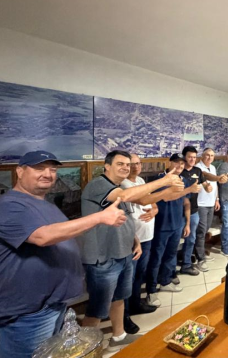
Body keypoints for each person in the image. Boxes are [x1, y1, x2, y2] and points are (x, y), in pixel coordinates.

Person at [0, 151, 127, 358]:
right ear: (20, 171)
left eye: (52, 170)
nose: (48, 174)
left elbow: (62, 234)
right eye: (39, 168)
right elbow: (42, 236)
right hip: (27, 314)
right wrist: (100, 217)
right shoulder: (9, 204)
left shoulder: (44, 204)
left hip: (52, 305)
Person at [78, 150, 184, 351]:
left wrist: (135, 240)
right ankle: (83, 351)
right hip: (103, 258)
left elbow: (141, 202)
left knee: (119, 298)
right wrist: (165, 181)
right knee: (97, 309)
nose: (126, 168)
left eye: (128, 164)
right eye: (120, 164)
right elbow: (125, 196)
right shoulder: (98, 185)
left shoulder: (118, 188)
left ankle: (118, 337)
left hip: (123, 253)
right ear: (107, 166)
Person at [146, 154, 201, 308]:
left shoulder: (183, 180)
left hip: (177, 224)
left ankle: (165, 281)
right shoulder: (161, 179)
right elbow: (167, 197)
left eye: (182, 164)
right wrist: (189, 189)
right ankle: (151, 290)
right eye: (177, 163)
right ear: (169, 163)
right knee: (156, 258)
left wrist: (187, 223)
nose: (179, 166)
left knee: (171, 255)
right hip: (161, 226)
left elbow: (185, 202)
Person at [121, 154, 159, 335]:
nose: (135, 167)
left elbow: (153, 203)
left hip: (147, 236)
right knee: (127, 279)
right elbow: (143, 200)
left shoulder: (141, 181)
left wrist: (154, 211)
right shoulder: (123, 185)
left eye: (138, 163)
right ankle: (124, 316)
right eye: (131, 164)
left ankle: (136, 304)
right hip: (133, 239)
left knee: (139, 275)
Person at [180, 146, 212, 274]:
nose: (192, 159)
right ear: (184, 157)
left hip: (193, 210)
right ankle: (169, 271)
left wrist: (208, 187)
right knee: (175, 241)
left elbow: (205, 184)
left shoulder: (197, 171)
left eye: (194, 157)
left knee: (191, 239)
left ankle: (187, 264)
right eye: (190, 157)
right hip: (178, 211)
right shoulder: (179, 171)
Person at [195, 148, 223, 272]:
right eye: (207, 155)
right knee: (201, 231)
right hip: (200, 204)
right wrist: (218, 178)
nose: (210, 157)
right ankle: (200, 259)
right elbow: (208, 179)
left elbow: (215, 185)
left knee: (205, 230)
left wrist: (217, 199)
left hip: (211, 204)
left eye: (212, 155)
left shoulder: (213, 167)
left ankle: (201, 253)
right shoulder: (198, 168)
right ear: (202, 155)